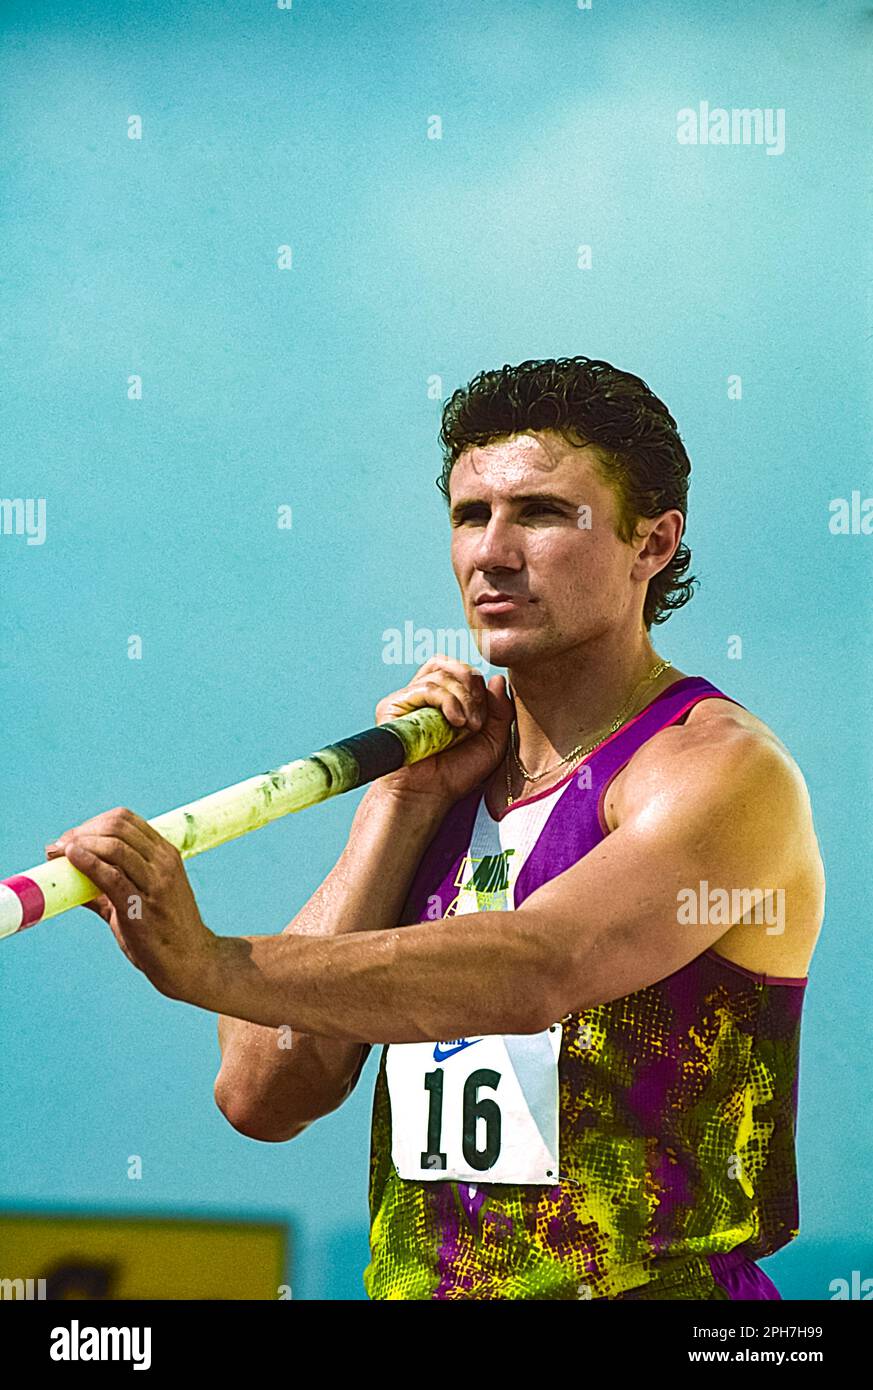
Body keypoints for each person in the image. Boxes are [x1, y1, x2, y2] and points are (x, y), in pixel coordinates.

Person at [47, 357, 825, 1300]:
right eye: (469, 517)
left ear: (651, 543)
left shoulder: (718, 770)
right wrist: (398, 806)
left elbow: (538, 967)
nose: (491, 552)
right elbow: (262, 1094)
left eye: (540, 513)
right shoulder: (442, 784)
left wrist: (209, 961)